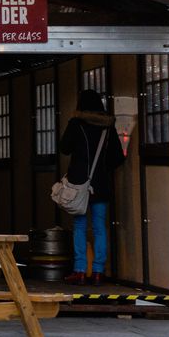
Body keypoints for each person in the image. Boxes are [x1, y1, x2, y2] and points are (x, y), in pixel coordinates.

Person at [58, 88, 125, 285]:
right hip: (101, 184)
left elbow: (64, 148)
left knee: (79, 225)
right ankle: (98, 271)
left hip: (78, 185)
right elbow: (117, 158)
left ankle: (79, 270)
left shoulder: (76, 124)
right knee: (99, 228)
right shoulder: (107, 127)